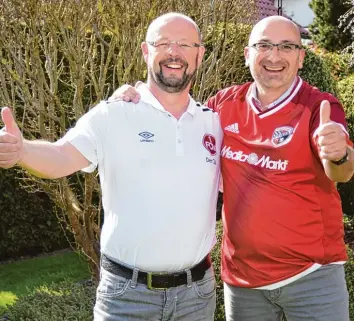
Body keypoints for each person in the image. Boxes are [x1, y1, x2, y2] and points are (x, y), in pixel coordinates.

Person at [110, 16, 354, 321]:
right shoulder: (222, 105)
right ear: (247, 54)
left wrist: (339, 154)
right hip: (244, 282)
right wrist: (138, 97)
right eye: (263, 45)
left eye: (287, 47)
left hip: (312, 277)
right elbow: (176, 122)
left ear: (301, 57)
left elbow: (340, 172)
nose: (274, 56)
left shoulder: (320, 106)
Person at [0, 13, 223, 321]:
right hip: (127, 298)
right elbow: (62, 156)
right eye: (164, 43)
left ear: (199, 54)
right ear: (146, 51)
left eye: (185, 44)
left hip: (196, 297)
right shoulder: (112, 115)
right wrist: (22, 150)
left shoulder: (214, 122)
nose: (175, 52)